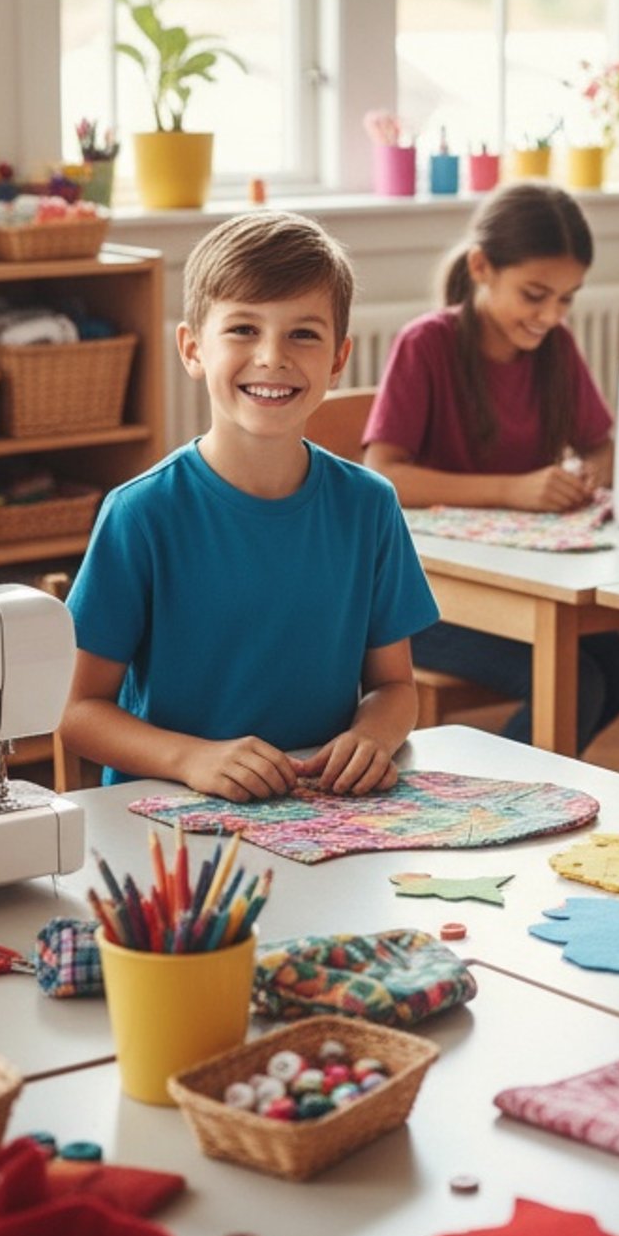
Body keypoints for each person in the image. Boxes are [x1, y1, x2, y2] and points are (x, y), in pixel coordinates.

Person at [62, 211, 437, 798]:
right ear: (192, 349)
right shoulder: (140, 514)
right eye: (243, 329)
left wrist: (372, 736)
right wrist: (191, 759)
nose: (271, 356)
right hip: (168, 812)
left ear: (338, 359)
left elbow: (395, 687)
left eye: (303, 334)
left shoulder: (370, 506)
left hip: (323, 809)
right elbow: (78, 711)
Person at [363, 181, 619, 753]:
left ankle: (534, 782)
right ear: (481, 267)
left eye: (566, 299)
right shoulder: (427, 344)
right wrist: (512, 490)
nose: (550, 315)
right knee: (578, 680)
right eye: (535, 295)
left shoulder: (555, 349)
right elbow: (385, 474)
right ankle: (499, 792)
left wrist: (589, 472)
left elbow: (602, 446)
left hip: (520, 584)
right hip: (423, 600)